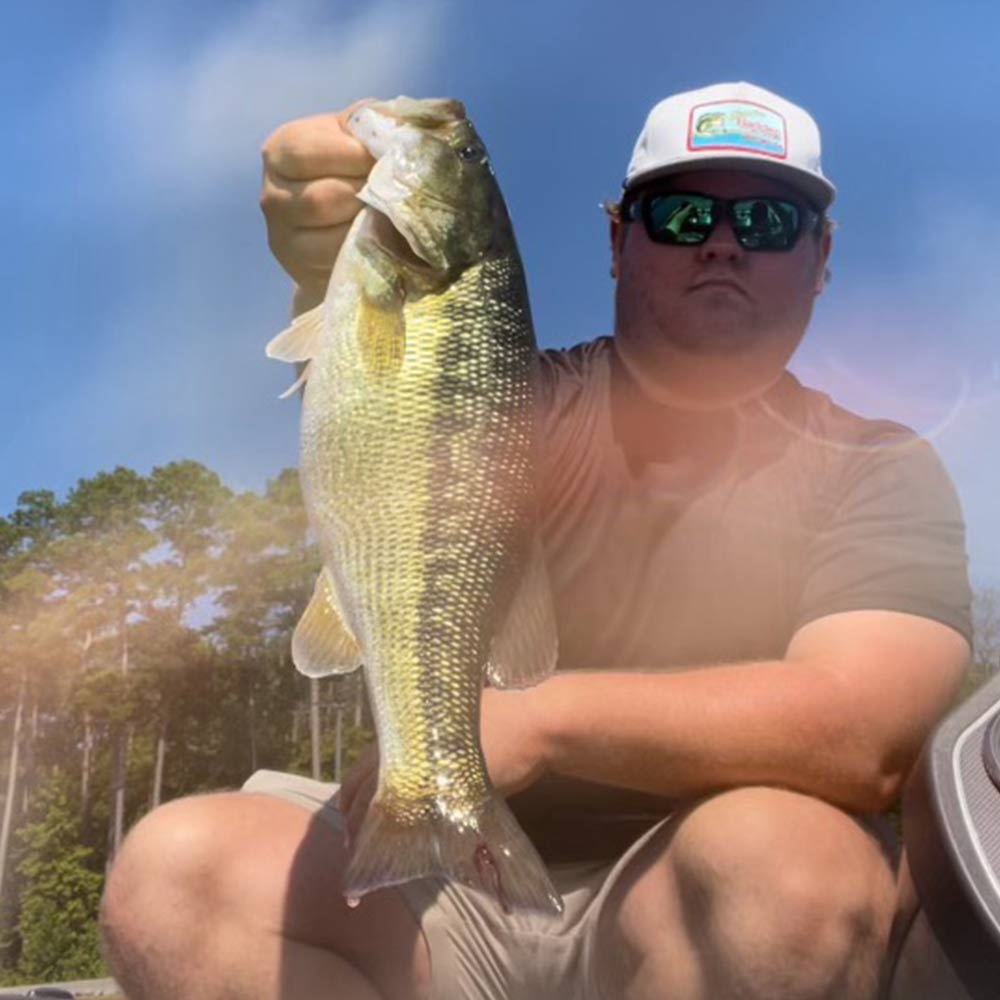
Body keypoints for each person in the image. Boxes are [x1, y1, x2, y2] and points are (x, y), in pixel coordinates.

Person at [99, 82, 973, 1000]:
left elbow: (864, 733)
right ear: (616, 241)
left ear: (821, 257)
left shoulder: (878, 465)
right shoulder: (515, 401)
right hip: (441, 893)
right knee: (177, 875)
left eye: (767, 219)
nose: (722, 242)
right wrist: (328, 259)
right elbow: (391, 407)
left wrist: (543, 720)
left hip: (680, 902)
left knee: (789, 876)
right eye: (680, 214)